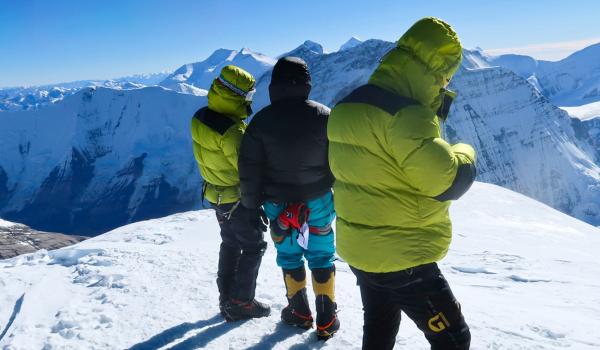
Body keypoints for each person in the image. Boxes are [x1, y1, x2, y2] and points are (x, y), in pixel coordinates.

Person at [327, 17, 475, 350]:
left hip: (360, 251)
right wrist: (465, 151)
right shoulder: (408, 116)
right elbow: (447, 180)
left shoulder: (347, 106)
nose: (448, 82)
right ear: (438, 71)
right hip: (405, 260)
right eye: (447, 75)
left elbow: (376, 163)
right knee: (454, 338)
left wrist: (431, 111)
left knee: (379, 329)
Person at [238, 57, 340, 340]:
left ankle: (299, 312)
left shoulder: (260, 121)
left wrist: (250, 205)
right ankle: (327, 319)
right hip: (317, 201)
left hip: (277, 205)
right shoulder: (325, 116)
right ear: (307, 84)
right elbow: (339, 161)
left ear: (274, 87)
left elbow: (249, 168)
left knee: (289, 255)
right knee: (321, 254)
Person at [190, 65, 270, 321]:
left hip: (216, 196)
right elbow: (247, 168)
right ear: (236, 95)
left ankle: (226, 298)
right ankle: (241, 302)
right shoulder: (233, 131)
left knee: (230, 243)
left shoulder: (200, 116)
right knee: (253, 246)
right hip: (238, 198)